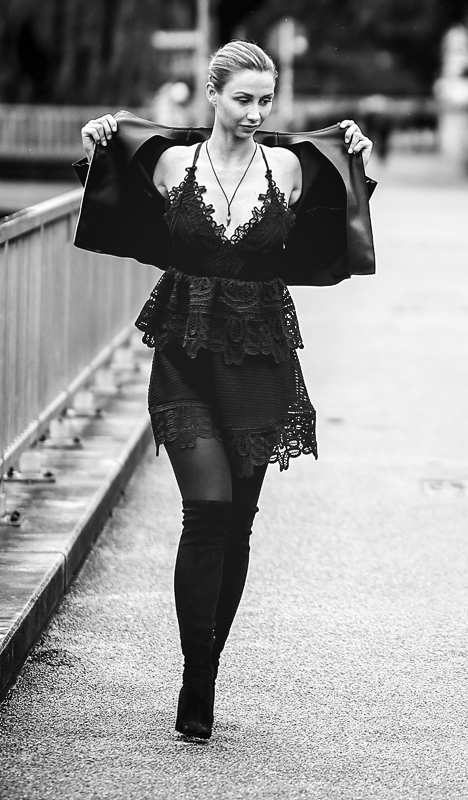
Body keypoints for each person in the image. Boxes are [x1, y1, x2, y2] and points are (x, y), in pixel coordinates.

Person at [77, 40, 376, 740]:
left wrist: (355, 155)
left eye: (265, 101)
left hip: (261, 355)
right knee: (206, 509)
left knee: (238, 521)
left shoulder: (293, 168)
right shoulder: (175, 165)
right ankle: (195, 679)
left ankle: (208, 664)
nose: (255, 112)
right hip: (183, 351)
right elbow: (114, 189)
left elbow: (343, 219)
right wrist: (102, 142)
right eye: (242, 99)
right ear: (211, 95)